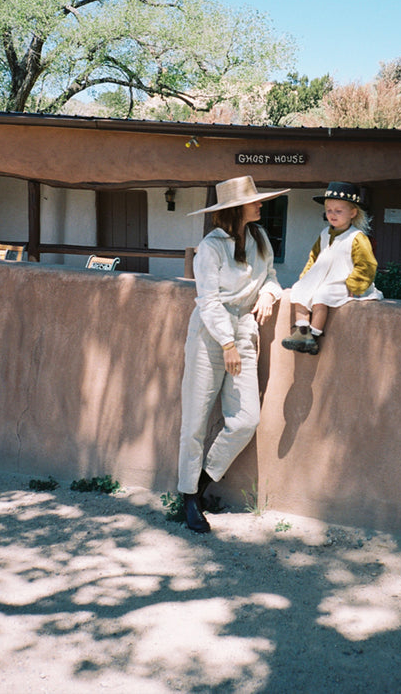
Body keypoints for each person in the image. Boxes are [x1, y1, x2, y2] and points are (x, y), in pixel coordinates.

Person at [178, 175, 289, 533]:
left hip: (244, 330)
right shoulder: (210, 247)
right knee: (195, 420)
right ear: (235, 209)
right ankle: (188, 500)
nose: (260, 204)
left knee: (245, 420)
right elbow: (207, 300)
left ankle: (202, 484)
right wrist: (226, 343)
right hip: (211, 335)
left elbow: (271, 275)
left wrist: (270, 294)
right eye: (254, 201)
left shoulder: (258, 238)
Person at [282, 181, 381, 355]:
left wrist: (355, 285)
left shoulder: (356, 237)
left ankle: (313, 336)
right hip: (321, 278)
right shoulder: (324, 233)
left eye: (338, 211)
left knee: (322, 295)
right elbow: (314, 257)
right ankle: (302, 331)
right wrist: (305, 277)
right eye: (329, 210)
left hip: (342, 282)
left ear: (353, 212)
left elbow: (366, 264)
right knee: (300, 291)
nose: (332, 214)